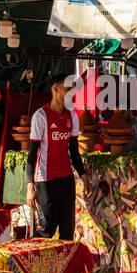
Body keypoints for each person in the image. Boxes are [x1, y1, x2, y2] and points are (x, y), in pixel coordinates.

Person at [26, 72, 90, 239]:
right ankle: (32, 260)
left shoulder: (73, 116)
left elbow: (74, 151)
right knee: (47, 228)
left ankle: (65, 264)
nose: (72, 95)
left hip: (66, 177)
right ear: (55, 89)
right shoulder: (41, 116)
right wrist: (29, 187)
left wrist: (83, 176)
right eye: (68, 90)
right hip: (45, 178)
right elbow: (32, 154)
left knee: (67, 229)